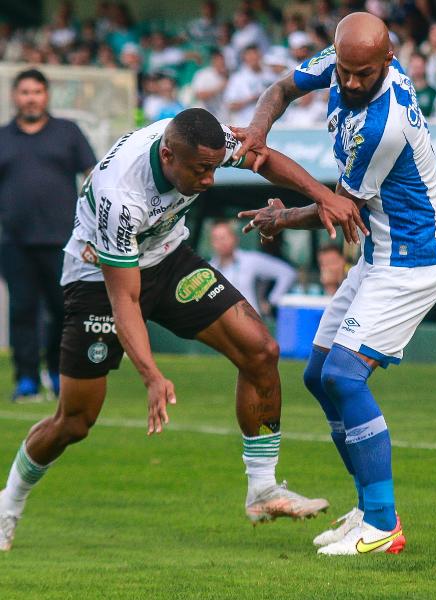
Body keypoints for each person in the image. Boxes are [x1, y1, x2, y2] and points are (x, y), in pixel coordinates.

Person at [0, 108, 366, 551]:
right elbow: (126, 298)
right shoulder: (122, 195)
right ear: (168, 156)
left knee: (260, 350)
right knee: (75, 420)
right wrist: (152, 375)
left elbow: (261, 156)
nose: (210, 180)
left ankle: (263, 489)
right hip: (99, 280)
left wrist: (321, 195)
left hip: (169, 259)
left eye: (215, 167)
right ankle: (9, 503)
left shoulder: (203, 142)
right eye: (200, 171)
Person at [235, 12, 436, 555]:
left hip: (412, 260)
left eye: (363, 74)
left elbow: (339, 210)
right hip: (380, 255)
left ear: (390, 63)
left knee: (345, 375)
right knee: (316, 374)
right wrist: (257, 133)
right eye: (346, 71)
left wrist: (281, 217)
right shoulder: (341, 62)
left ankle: (383, 526)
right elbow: (282, 88)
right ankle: (366, 510)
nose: (350, 83)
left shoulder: (385, 124)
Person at [0, 68, 96, 402]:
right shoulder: (3, 137)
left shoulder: (67, 132)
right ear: (15, 96)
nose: (31, 98)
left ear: (46, 95)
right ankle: (26, 380)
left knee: (63, 309)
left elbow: (93, 175)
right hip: (13, 242)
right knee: (23, 310)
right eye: (24, 92)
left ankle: (57, 373)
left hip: (63, 240)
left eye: (37, 92)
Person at [209, 220, 296, 316]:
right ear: (212, 243)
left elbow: (287, 273)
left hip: (251, 323)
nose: (221, 242)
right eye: (216, 239)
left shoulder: (251, 260)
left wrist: (272, 301)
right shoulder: (208, 270)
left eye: (224, 237)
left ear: (235, 238)